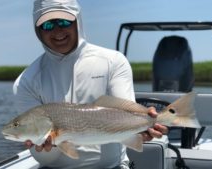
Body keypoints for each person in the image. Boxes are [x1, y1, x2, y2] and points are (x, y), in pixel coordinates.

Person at [13, 0, 168, 168]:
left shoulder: (113, 62)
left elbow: (126, 112)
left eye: (64, 22)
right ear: (38, 31)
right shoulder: (26, 81)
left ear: (77, 21)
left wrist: (143, 126)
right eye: (48, 25)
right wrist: (44, 149)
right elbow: (44, 155)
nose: (58, 30)